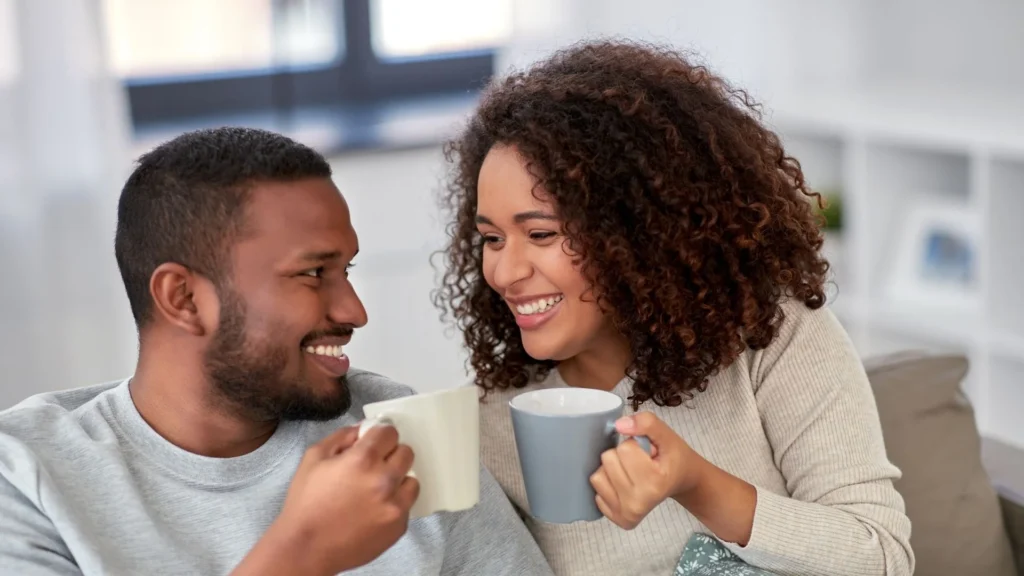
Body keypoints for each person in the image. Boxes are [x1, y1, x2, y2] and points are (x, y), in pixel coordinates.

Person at [433, 40, 914, 576]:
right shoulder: (496, 423)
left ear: (638, 233)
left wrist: (695, 484)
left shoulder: (774, 339)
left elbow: (882, 557)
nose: (504, 271)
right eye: (492, 239)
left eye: (541, 233)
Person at [0, 127, 554, 576]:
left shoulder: (399, 433)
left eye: (346, 270)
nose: (354, 310)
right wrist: (302, 553)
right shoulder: (27, 475)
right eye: (313, 273)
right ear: (184, 298)